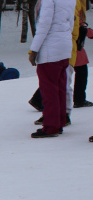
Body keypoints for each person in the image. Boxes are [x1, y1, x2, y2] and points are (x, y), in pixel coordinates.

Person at [28, 0, 74, 138]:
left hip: (50, 48)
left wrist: (34, 49)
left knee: (49, 89)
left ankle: (51, 126)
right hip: (64, 46)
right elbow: (71, 22)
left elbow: (44, 25)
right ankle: (59, 122)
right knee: (60, 87)